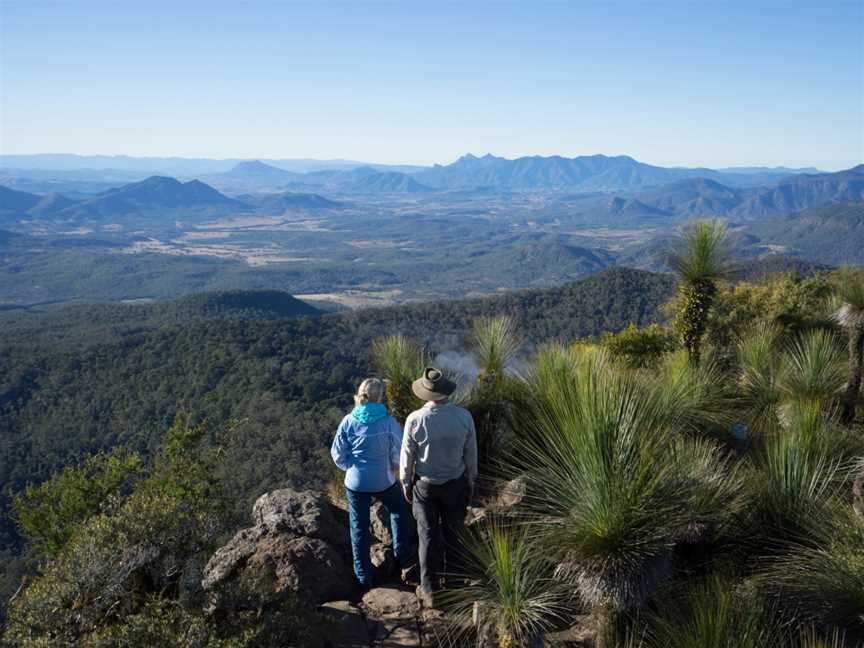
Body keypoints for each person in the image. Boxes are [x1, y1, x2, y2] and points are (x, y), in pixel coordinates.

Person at [400, 367, 477, 607]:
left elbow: (407, 457)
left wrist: (405, 483)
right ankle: (455, 587)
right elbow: (471, 453)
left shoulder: (415, 419)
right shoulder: (464, 417)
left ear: (424, 393)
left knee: (428, 536)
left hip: (425, 486)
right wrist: (471, 478)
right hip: (455, 483)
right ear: (445, 392)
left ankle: (430, 591)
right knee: (455, 534)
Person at [331, 378, 415, 590]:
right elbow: (400, 453)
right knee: (398, 510)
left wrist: (350, 466)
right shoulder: (388, 423)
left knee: (358, 528)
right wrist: (389, 467)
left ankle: (363, 577)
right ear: (381, 397)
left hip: (355, 482)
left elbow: (337, 454)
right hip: (382, 480)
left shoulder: (348, 421)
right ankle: (402, 556)